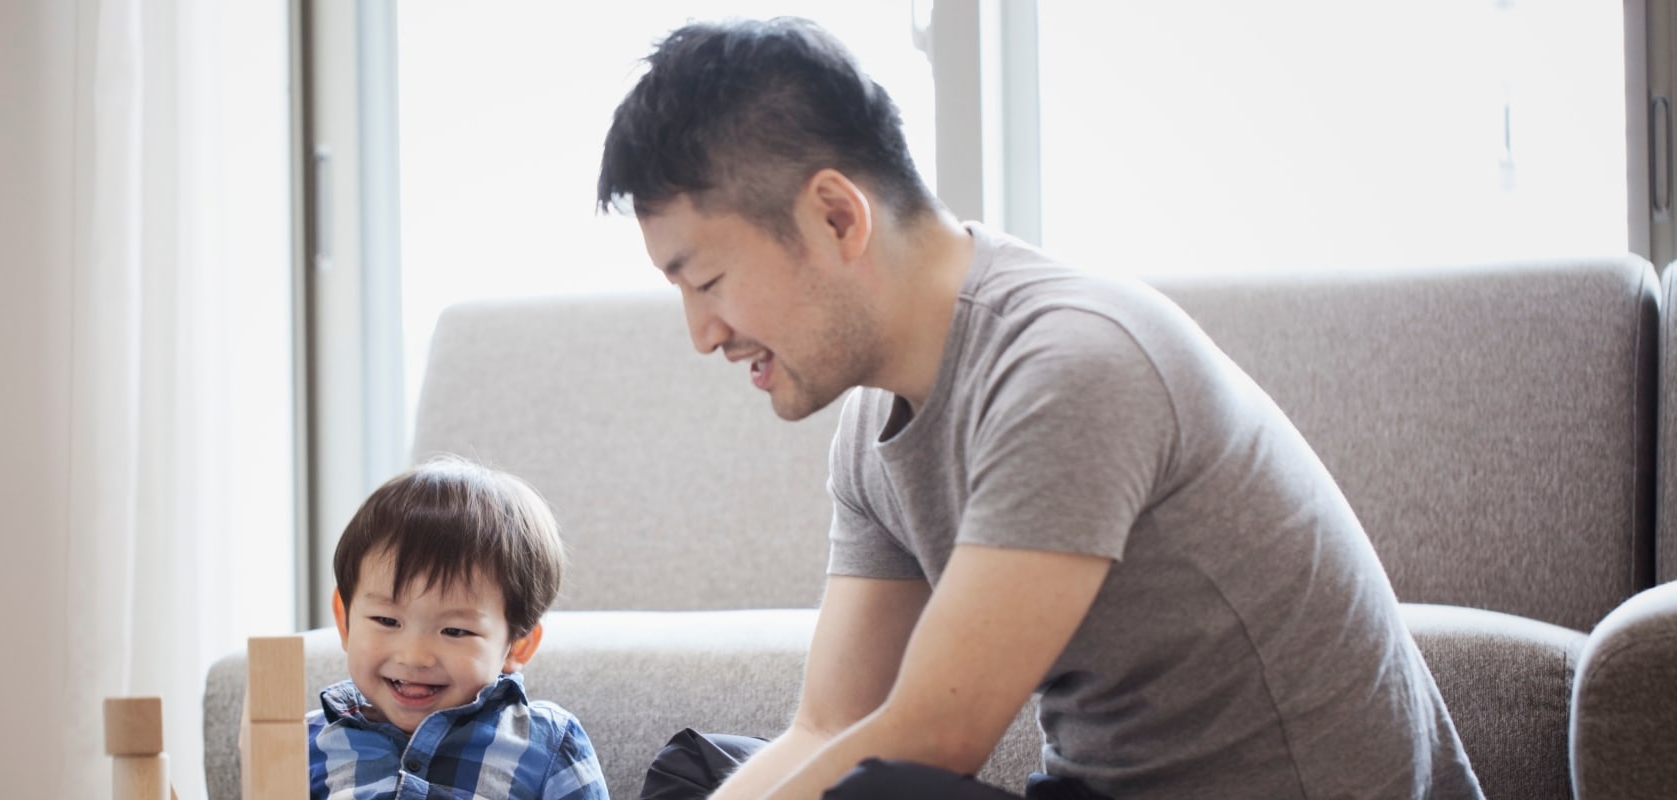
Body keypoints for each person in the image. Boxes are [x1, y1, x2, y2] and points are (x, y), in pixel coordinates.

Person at [597, 16, 1484, 800]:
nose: (702, 334)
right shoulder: (872, 431)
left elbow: (935, 741)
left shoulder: (1070, 362)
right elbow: (829, 725)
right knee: (700, 772)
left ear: (836, 217)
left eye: (706, 280)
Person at [309, 456, 610, 799]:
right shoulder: (304, 746)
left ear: (518, 644)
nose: (415, 656)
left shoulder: (549, 746)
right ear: (345, 620)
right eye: (387, 621)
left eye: (454, 631)